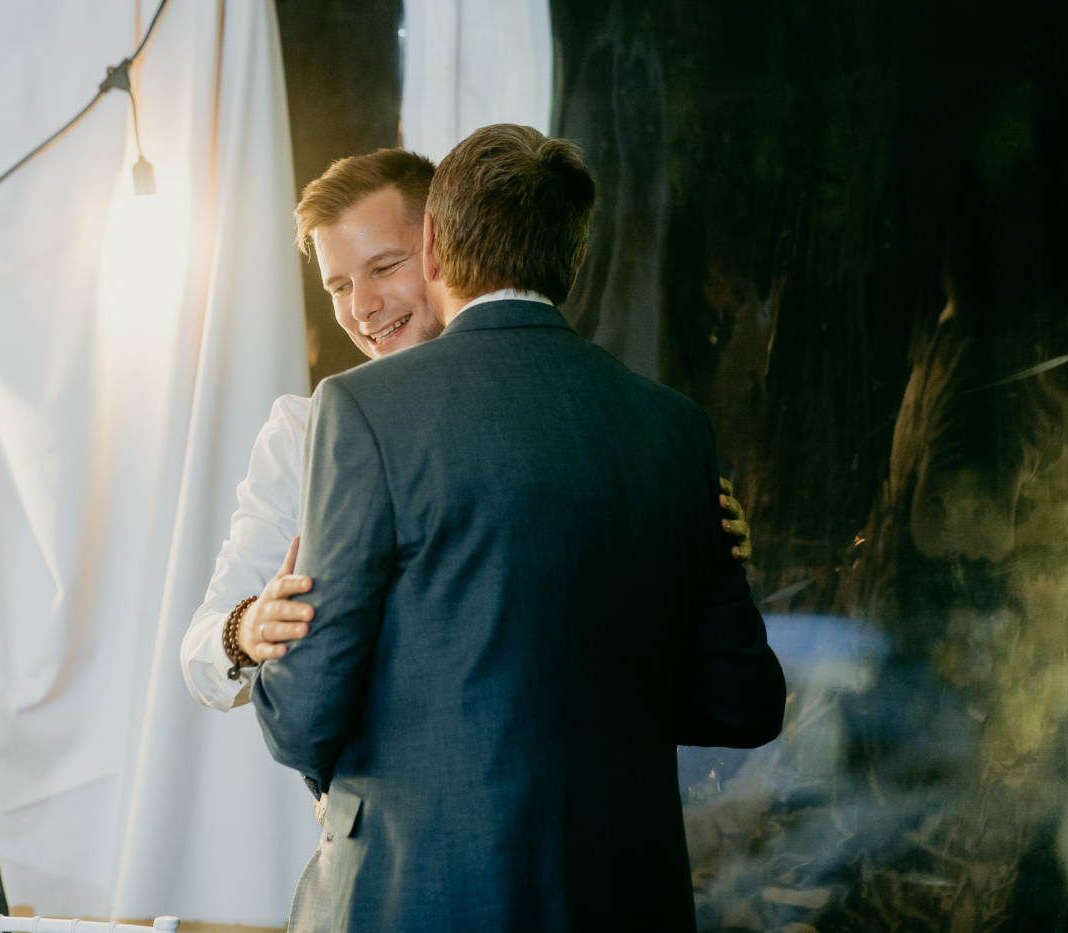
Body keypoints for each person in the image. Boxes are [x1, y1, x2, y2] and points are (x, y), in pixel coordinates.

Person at [180, 148, 755, 931]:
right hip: (598, 878)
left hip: (429, 884)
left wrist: (692, 558)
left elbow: (305, 715)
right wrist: (247, 629)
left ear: (440, 244)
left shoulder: (587, 420)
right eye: (338, 286)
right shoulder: (306, 429)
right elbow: (201, 652)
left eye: (384, 267)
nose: (362, 307)